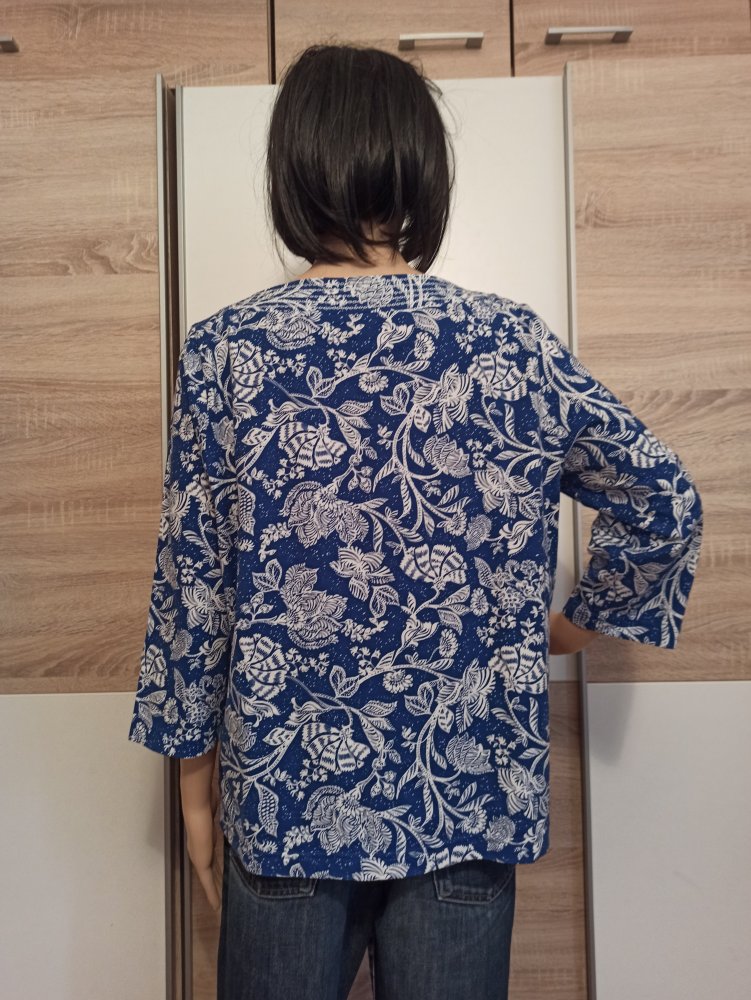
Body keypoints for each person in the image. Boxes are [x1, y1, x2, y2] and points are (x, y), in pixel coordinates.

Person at [127, 43, 704, 1000]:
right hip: (465, 799)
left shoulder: (227, 350)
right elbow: (663, 500)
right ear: (422, 171)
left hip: (285, 800)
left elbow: (195, 583)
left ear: (292, 169)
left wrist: (193, 785)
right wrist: (567, 628)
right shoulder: (509, 341)